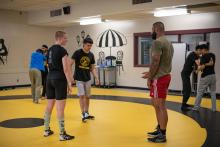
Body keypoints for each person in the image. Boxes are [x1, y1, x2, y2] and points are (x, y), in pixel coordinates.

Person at [142, 22, 174, 143]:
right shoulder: (168, 42)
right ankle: (160, 128)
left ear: (156, 29)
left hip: (159, 78)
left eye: (152, 30)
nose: (151, 32)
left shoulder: (157, 42)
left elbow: (156, 61)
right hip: (164, 76)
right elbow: (163, 62)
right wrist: (151, 74)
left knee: (160, 106)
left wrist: (150, 76)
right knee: (156, 104)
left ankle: (162, 134)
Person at [43, 31, 74, 141]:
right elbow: (66, 69)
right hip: (59, 79)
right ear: (60, 38)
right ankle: (62, 134)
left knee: (49, 105)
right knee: (60, 108)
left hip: (49, 78)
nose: (66, 40)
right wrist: (70, 83)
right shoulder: (62, 50)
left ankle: (46, 130)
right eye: (65, 38)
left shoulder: (49, 50)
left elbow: (47, 66)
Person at [69, 37, 99, 122]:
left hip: (88, 78)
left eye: (91, 46)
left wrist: (96, 77)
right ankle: (82, 114)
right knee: (81, 95)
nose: (89, 47)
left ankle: (86, 113)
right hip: (79, 78)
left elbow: (92, 68)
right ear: (84, 44)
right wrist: (70, 77)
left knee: (87, 96)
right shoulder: (77, 53)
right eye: (88, 45)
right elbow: (70, 64)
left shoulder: (91, 55)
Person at [192, 43, 216, 112]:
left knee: (200, 92)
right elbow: (212, 64)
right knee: (213, 92)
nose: (200, 52)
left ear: (204, 50)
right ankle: (214, 108)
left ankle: (196, 107)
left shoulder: (204, 56)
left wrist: (197, 70)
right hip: (213, 76)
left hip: (205, 76)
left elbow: (202, 66)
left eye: (201, 50)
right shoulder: (213, 55)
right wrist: (206, 64)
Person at [181, 45, 202, 110]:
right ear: (197, 50)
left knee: (188, 90)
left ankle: (184, 104)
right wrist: (203, 64)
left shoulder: (196, 56)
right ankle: (183, 106)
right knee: (187, 90)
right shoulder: (192, 54)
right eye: (200, 51)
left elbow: (196, 68)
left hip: (186, 75)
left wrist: (197, 70)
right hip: (184, 74)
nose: (201, 53)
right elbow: (198, 63)